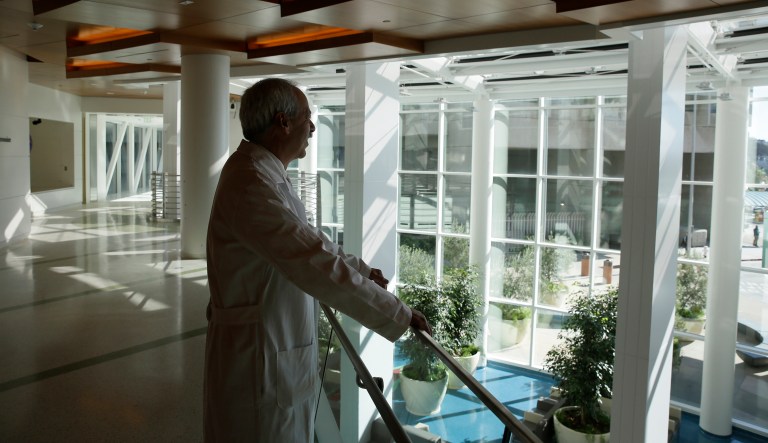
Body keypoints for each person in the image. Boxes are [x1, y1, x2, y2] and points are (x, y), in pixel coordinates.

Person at [204, 78, 430, 442]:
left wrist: (362, 270)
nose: (312, 127)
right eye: (307, 118)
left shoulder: (262, 172)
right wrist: (396, 313)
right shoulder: (252, 184)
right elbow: (312, 261)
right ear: (283, 122)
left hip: (270, 346)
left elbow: (309, 241)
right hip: (258, 359)